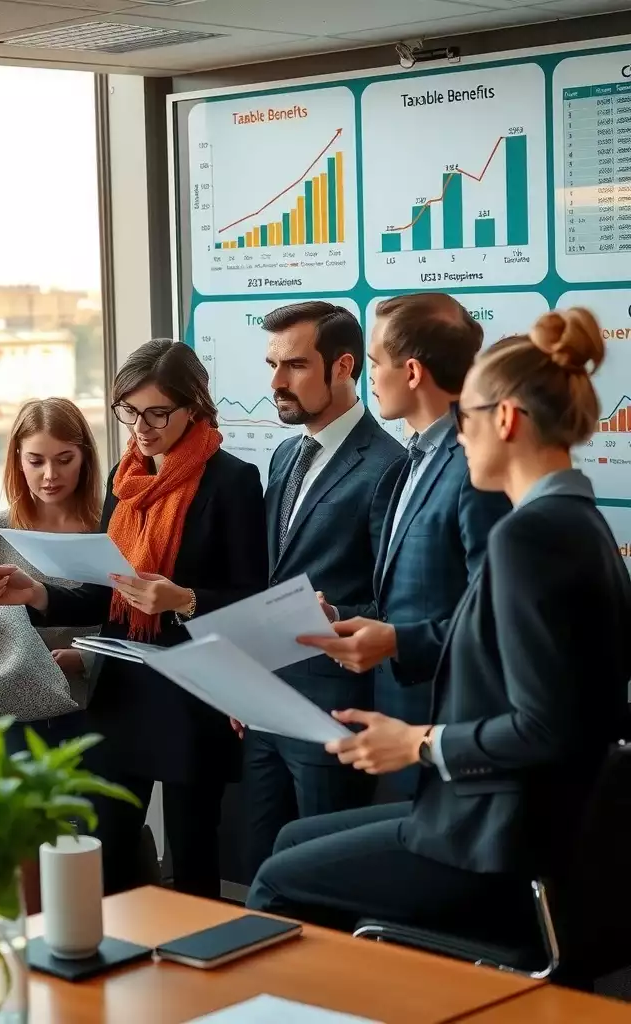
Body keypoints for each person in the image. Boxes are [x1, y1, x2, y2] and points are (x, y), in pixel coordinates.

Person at [249, 309, 631, 938]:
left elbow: (548, 727)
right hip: (535, 825)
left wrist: (420, 742)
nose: (458, 437)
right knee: (291, 839)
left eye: (469, 421)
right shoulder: (578, 522)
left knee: (275, 878)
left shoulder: (528, 537)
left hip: (493, 837)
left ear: (504, 419)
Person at [0, 339, 268, 898]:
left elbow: (250, 597)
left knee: (190, 859)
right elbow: (104, 598)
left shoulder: (231, 482)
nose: (142, 426)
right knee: (103, 847)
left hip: (194, 690)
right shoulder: (124, 479)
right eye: (129, 411)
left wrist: (181, 599)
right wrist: (37, 594)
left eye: (158, 412)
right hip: (126, 687)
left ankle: (199, 974)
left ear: (195, 408)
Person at [301, 293, 511, 800]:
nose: (369, 377)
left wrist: (395, 641)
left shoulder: (475, 468)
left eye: (374, 362)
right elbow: (408, 600)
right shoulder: (410, 461)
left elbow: (495, 621)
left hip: (450, 735)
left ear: (412, 372)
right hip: (399, 726)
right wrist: (347, 616)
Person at [239, 302, 405, 883]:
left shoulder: (388, 465)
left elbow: (392, 603)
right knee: (261, 873)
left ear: (343, 367)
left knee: (327, 884)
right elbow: (271, 582)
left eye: (294, 366)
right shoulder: (285, 454)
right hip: (264, 706)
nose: (276, 382)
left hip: (334, 712)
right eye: (272, 364)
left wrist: (338, 615)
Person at [0, 397, 103, 744]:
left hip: (97, 707)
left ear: (85, 457)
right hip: (14, 708)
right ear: (18, 459)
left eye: (64, 459)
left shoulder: (111, 528)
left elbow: (131, 617)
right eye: (36, 460)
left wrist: (86, 659)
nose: (50, 475)